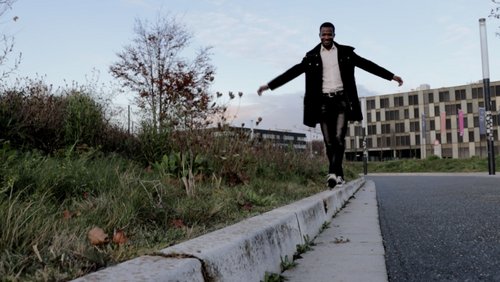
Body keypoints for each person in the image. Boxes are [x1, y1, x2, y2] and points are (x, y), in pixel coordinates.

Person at [257, 22, 403, 189]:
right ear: (319, 35)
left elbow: (368, 65)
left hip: (342, 101)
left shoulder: (346, 53)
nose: (326, 37)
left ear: (334, 35)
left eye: (329, 34)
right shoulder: (311, 57)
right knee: (329, 142)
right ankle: (339, 175)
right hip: (323, 103)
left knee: (339, 138)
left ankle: (332, 173)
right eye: (323, 34)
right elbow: (292, 72)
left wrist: (391, 76)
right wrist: (269, 86)